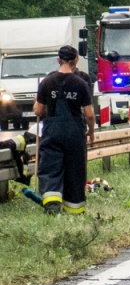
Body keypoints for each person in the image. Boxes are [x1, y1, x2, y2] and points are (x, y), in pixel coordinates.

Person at [33, 45, 95, 215]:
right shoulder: (81, 83)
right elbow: (89, 114)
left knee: (50, 166)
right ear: (76, 59)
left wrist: (36, 100)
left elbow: (38, 111)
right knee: (75, 169)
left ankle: (52, 205)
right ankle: (74, 209)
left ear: (58, 60)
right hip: (75, 132)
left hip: (52, 131)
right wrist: (91, 132)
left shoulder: (47, 82)